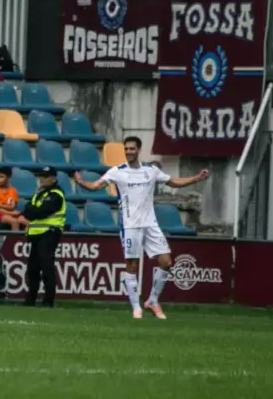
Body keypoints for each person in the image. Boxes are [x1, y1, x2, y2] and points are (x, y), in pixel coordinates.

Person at [73, 136, 210, 319]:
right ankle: (136, 307)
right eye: (126, 149)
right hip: (130, 225)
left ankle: (152, 301)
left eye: (132, 149)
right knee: (132, 265)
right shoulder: (117, 171)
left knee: (166, 262)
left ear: (138, 150)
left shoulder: (150, 170)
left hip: (150, 224)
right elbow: (96, 186)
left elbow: (173, 182)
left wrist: (196, 178)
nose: (129, 151)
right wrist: (82, 183)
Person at [21, 166, 66, 307]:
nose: (42, 179)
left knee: (47, 267)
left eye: (45, 176)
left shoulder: (56, 194)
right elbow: (27, 211)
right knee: (33, 267)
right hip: (36, 235)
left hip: (49, 233)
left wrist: (33, 210)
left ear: (53, 179)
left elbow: (40, 212)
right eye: (41, 176)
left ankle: (48, 300)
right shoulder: (39, 194)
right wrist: (34, 210)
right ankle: (31, 299)